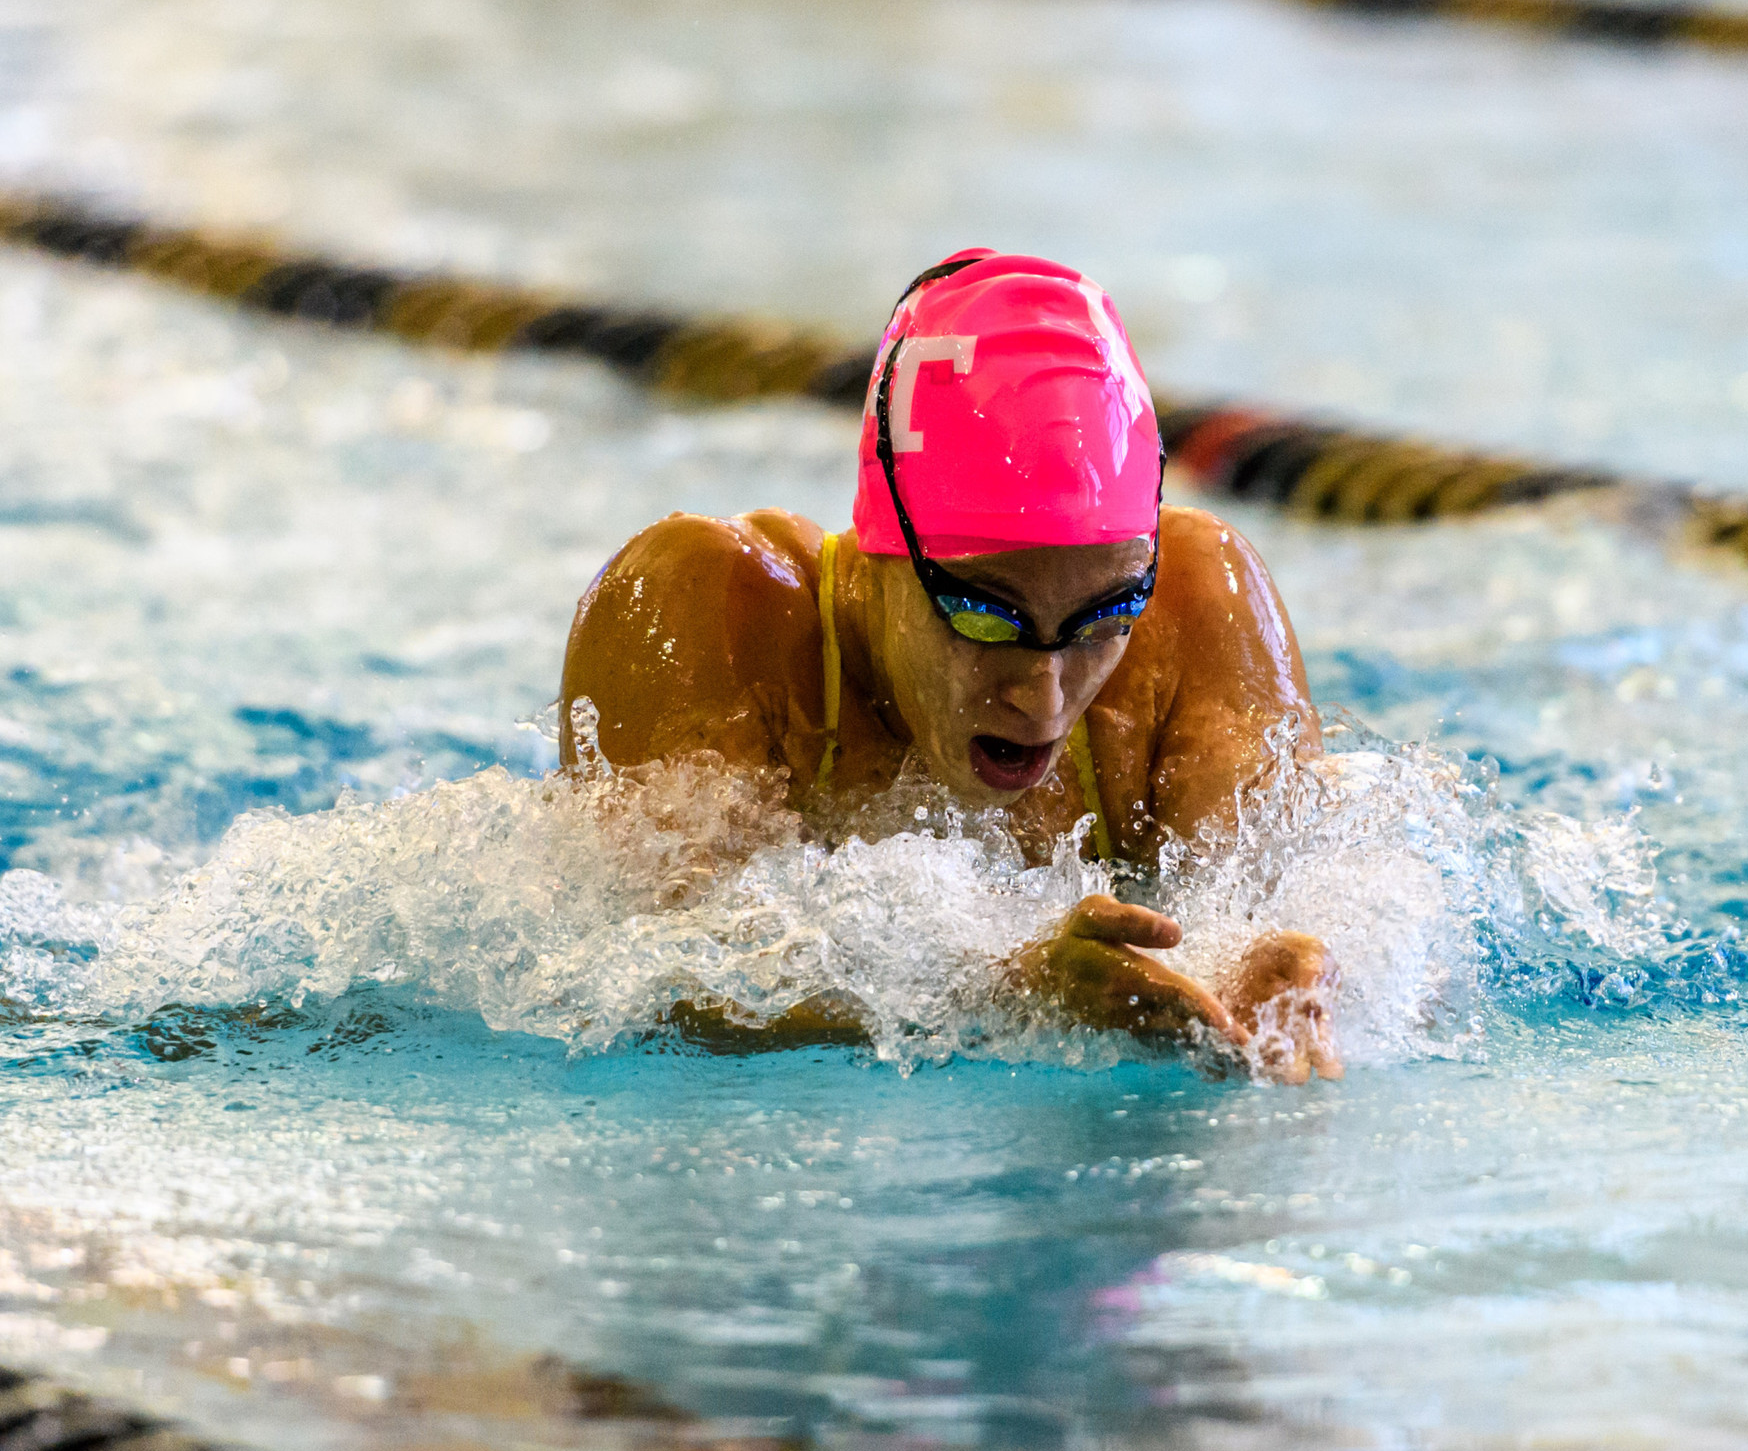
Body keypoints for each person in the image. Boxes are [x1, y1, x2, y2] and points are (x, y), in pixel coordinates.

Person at [559, 249, 1340, 1082]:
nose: (1045, 693)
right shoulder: (710, 615)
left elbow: (1340, 907)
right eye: (987, 616)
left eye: (1101, 619)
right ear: (882, 548)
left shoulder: (1196, 604)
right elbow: (640, 981)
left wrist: (1302, 974)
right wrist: (1003, 992)